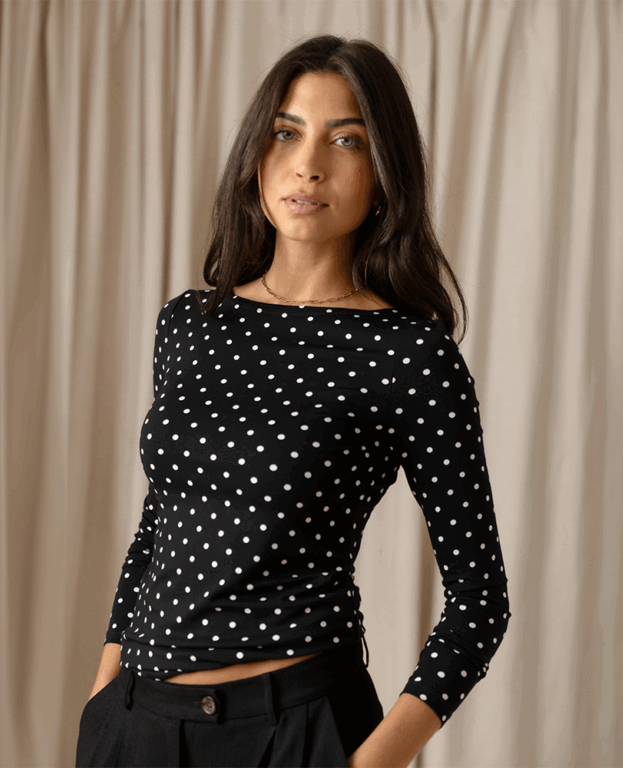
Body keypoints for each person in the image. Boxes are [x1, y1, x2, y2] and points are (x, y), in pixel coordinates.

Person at [76, 33, 511, 768]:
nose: (308, 164)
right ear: (256, 151)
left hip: (295, 730)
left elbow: (479, 602)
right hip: (137, 723)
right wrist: (105, 692)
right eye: (287, 132)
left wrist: (369, 762)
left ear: (383, 174)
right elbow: (158, 525)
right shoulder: (190, 322)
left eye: (347, 141)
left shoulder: (409, 356)